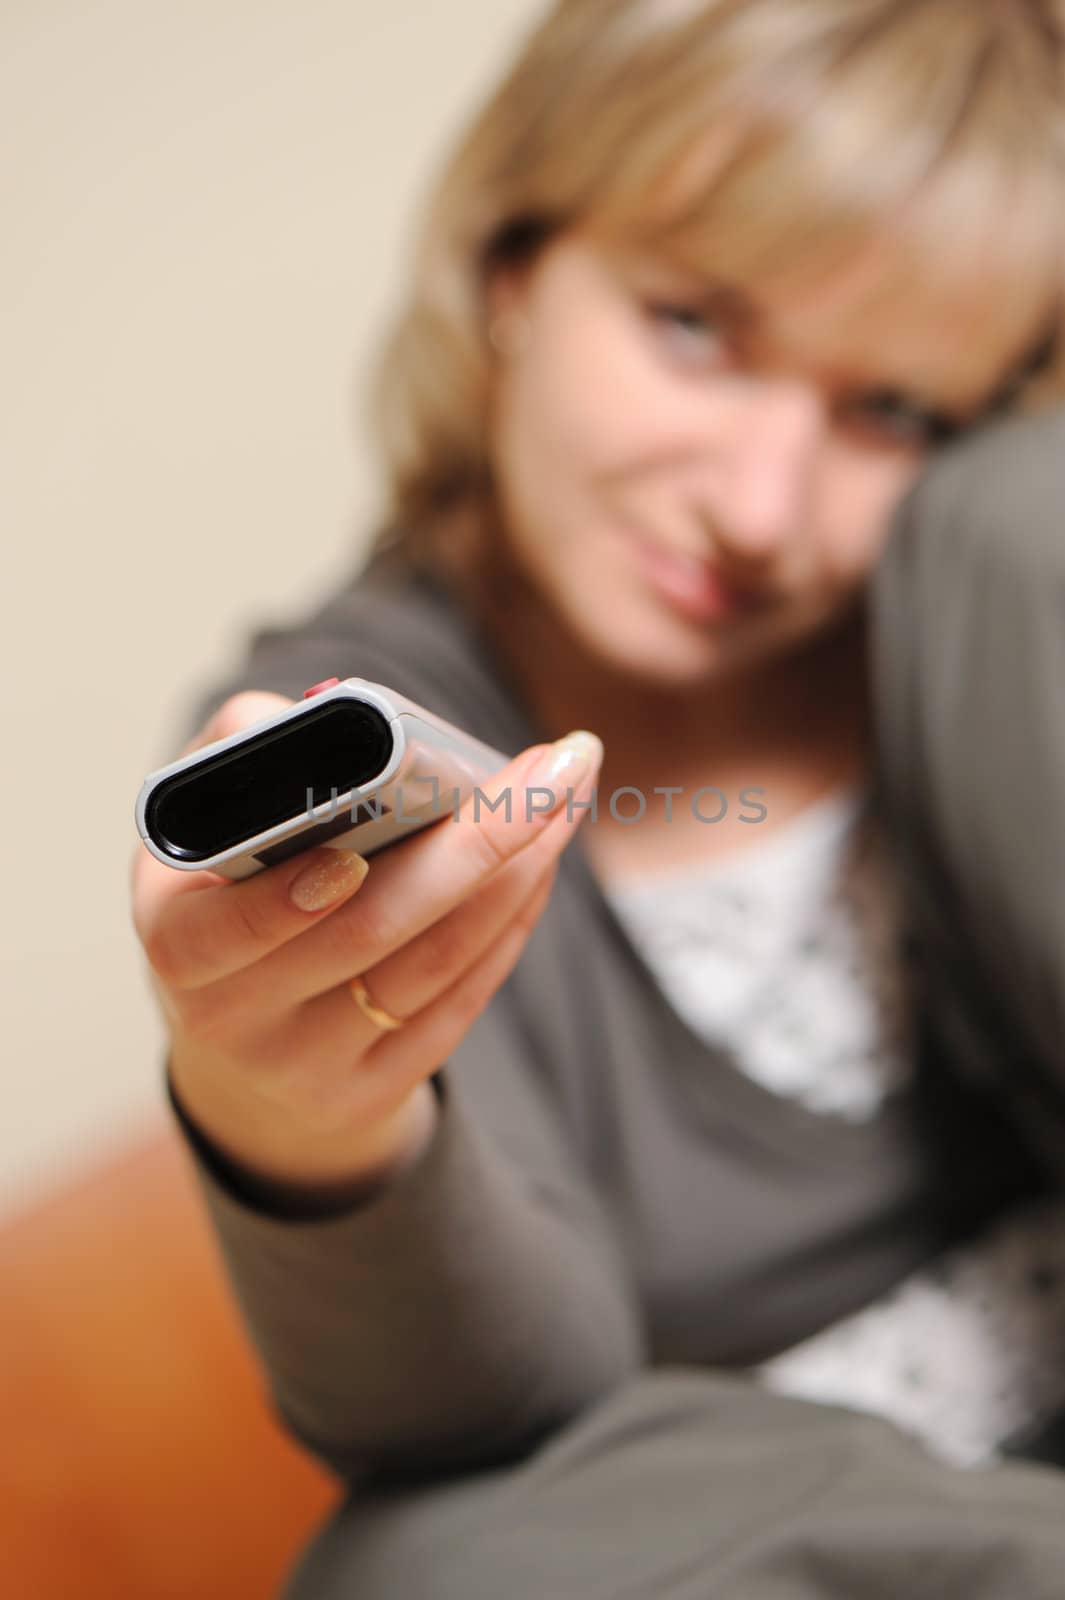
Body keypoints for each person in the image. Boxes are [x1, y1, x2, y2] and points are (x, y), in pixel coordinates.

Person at [130, 1, 1065, 1593]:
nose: (757, 507)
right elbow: (497, 1428)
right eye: (694, 324)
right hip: (808, 1535)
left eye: (892, 413)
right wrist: (315, 1131)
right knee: (417, 1564)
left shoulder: (981, 585)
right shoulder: (366, 729)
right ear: (508, 272)